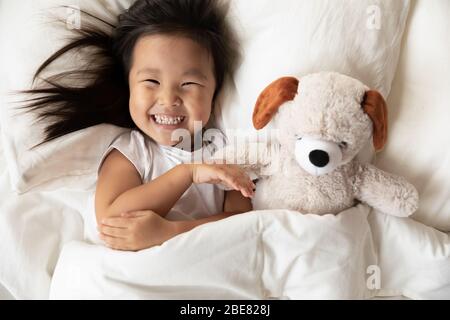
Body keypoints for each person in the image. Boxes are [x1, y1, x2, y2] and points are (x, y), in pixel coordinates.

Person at [20, 0, 254, 252]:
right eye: (151, 81)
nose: (168, 100)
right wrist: (188, 173)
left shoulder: (224, 154)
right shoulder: (131, 151)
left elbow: (243, 225)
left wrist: (170, 233)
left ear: (214, 92)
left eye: (189, 84)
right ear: (129, 85)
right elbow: (112, 219)